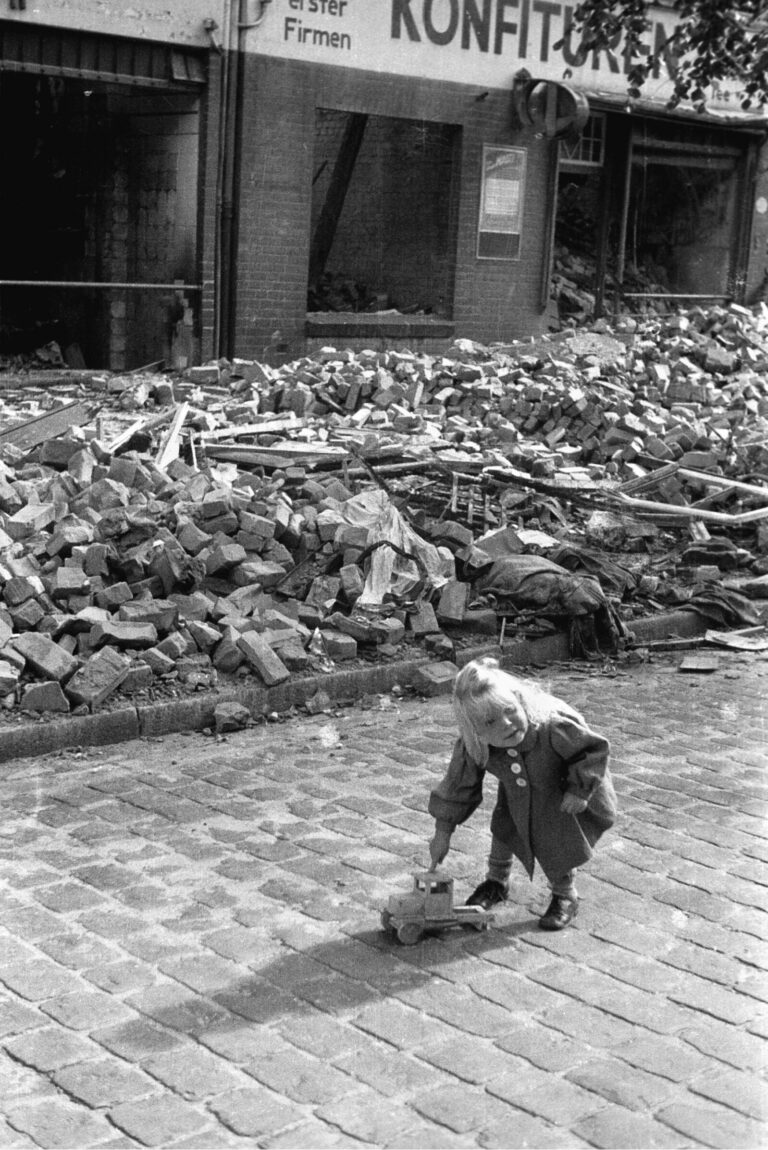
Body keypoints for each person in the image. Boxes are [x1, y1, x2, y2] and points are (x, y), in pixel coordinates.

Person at [428, 656, 616, 930]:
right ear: (475, 731)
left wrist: (579, 790)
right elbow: (458, 785)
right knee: (505, 828)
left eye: (509, 710)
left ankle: (565, 895)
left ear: (519, 699)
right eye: (491, 722)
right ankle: (496, 881)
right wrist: (443, 832)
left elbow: (591, 751)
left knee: (556, 840)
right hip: (518, 792)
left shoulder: (553, 726)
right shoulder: (476, 747)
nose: (506, 724)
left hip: (564, 791)